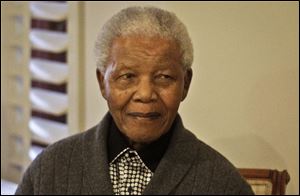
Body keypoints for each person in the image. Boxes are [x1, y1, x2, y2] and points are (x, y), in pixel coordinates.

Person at [16, 6, 254, 195]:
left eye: (164, 77)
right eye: (127, 76)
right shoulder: (50, 169)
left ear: (186, 84)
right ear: (102, 82)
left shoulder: (224, 184)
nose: (145, 94)